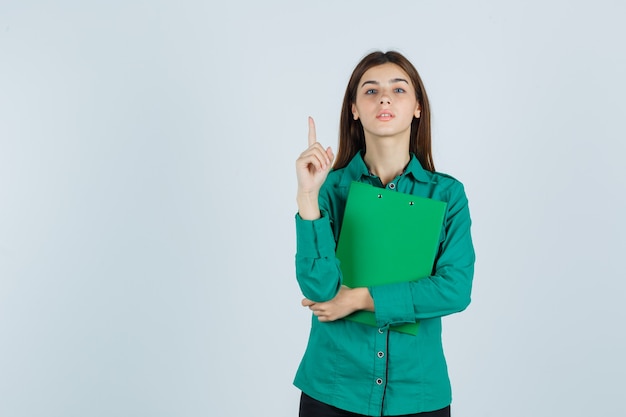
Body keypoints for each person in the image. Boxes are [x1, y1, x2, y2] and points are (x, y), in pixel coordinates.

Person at [294, 50, 475, 417]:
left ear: (417, 107)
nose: (385, 98)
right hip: (333, 388)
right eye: (371, 91)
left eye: (398, 89)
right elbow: (319, 289)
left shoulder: (446, 195)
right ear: (355, 109)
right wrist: (308, 196)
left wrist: (361, 298)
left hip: (417, 394)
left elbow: (454, 289)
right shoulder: (330, 190)